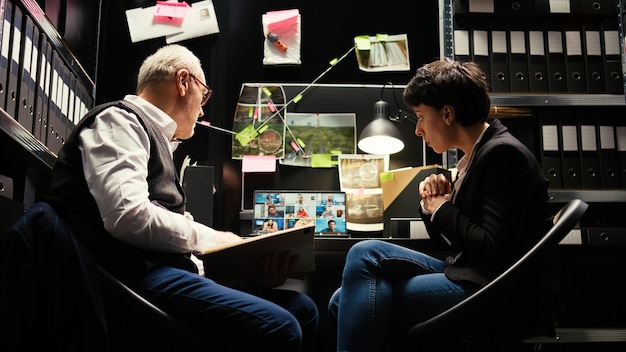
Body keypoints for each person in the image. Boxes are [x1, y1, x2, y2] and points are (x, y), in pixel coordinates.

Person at [45, 44, 318, 351]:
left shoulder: (154, 137)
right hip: (129, 277)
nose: (203, 109)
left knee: (302, 308)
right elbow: (127, 216)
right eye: (204, 95)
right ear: (184, 81)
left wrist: (242, 271)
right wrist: (214, 239)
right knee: (282, 326)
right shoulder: (118, 121)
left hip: (158, 271)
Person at [327, 58, 553, 351]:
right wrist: (432, 206)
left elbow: (491, 249)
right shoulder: (477, 155)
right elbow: (456, 243)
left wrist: (443, 209)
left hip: (496, 289)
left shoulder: (503, 155)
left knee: (349, 299)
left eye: (420, 116)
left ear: (447, 113)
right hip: (471, 273)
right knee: (364, 255)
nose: (418, 130)